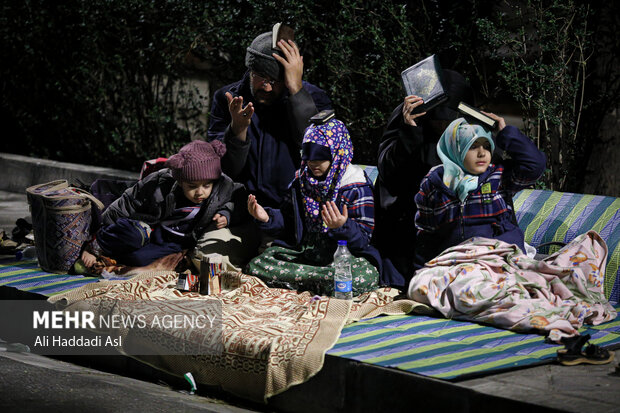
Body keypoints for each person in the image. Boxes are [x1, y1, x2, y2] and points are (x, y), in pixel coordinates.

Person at [245, 119, 381, 296]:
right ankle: (319, 282)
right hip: (305, 253)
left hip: (341, 256)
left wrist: (342, 226)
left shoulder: (355, 186)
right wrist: (266, 218)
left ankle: (307, 281)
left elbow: (364, 240)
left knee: (363, 276)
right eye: (308, 157)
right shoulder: (301, 181)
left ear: (337, 153)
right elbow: (288, 222)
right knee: (256, 265)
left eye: (320, 157)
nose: (313, 163)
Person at [207, 29, 332, 210]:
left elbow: (319, 155)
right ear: (250, 70)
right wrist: (237, 132)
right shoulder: (228, 99)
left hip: (292, 214)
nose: (266, 87)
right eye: (260, 77)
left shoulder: (315, 100)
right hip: (237, 211)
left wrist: (297, 92)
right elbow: (221, 170)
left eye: (276, 80)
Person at [374, 70, 475, 288]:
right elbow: (389, 174)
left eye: (449, 118)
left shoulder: (467, 128)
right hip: (404, 224)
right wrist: (410, 131)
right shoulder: (407, 117)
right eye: (438, 118)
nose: (442, 124)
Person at [79, 140, 246, 271]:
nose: (200, 193)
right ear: (180, 181)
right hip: (148, 228)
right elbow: (126, 203)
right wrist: (102, 231)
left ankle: (115, 254)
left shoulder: (222, 186)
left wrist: (227, 213)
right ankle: (95, 247)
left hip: (175, 243)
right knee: (133, 234)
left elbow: (239, 200)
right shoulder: (160, 182)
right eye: (192, 186)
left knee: (138, 260)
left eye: (206, 186)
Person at [413, 113, 546, 265]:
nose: (482, 153)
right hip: (456, 262)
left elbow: (535, 165)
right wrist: (422, 271)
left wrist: (506, 133)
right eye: (473, 146)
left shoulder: (499, 177)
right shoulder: (433, 185)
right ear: (455, 149)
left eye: (487, 146)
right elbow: (425, 235)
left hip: (498, 258)